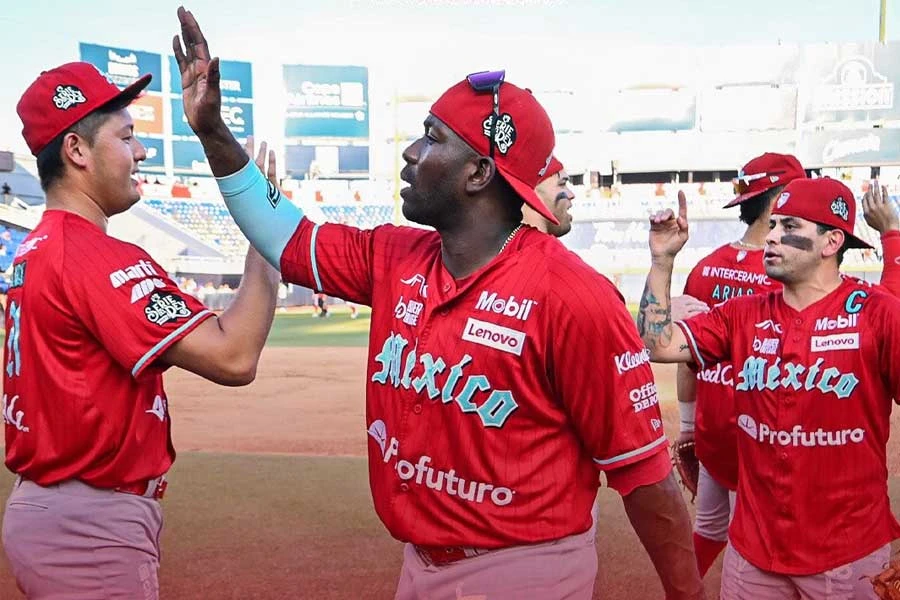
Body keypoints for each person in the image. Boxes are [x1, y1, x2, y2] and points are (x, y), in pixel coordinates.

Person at [174, 7, 704, 599]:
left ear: (479, 171)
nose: (409, 153)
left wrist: (687, 593)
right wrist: (213, 134)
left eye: (431, 138)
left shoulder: (572, 294)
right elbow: (289, 240)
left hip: (524, 573)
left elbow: (643, 472)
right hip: (420, 565)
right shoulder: (396, 254)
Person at [3, 61, 281, 599]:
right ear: (77, 151)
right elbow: (233, 355)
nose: (142, 152)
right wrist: (266, 232)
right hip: (89, 526)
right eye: (127, 136)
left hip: (52, 510)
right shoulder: (93, 255)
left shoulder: (38, 248)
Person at [638, 178, 900, 599]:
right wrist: (662, 261)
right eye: (773, 223)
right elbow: (659, 345)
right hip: (753, 554)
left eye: (789, 226)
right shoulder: (743, 314)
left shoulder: (877, 313)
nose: (772, 236)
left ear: (832, 241)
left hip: (848, 556)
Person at [676, 153, 805, 577]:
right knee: (764, 547)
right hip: (766, 435)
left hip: (715, 430)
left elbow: (688, 358)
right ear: (781, 198)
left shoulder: (705, 266)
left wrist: (689, 426)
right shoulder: (788, 269)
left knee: (710, 527)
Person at [522, 156, 574, 236]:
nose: (571, 195)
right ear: (532, 193)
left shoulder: (504, 245)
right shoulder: (547, 248)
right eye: (562, 184)